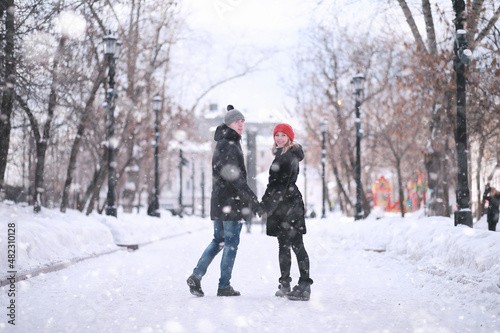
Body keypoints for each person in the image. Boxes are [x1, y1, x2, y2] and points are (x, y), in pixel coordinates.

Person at [187, 105, 261, 297]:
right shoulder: (229, 143)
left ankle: (196, 276)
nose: (241, 124)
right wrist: (252, 200)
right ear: (228, 123)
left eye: (243, 121)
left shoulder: (225, 141)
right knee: (230, 243)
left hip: (221, 201)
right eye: (238, 121)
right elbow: (234, 177)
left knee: (219, 241)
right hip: (231, 203)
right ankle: (223, 285)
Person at [260, 123, 313, 301]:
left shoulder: (288, 156)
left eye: (283, 135)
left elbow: (278, 186)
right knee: (283, 246)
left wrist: (265, 205)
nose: (279, 138)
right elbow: (274, 186)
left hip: (289, 205)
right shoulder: (282, 155)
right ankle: (285, 283)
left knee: (297, 245)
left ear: (290, 138)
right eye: (277, 135)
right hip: (283, 205)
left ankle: (304, 285)